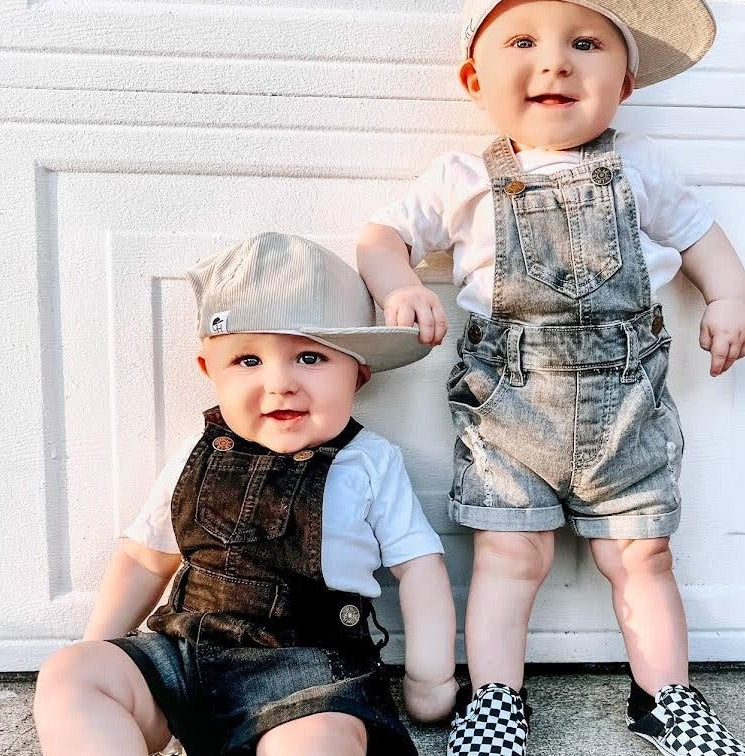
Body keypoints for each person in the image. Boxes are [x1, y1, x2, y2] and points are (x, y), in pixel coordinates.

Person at [357, 0, 745, 756]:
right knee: (511, 555)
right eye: (523, 41)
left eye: (585, 43)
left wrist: (730, 295)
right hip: (510, 406)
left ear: (626, 80)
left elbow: (699, 238)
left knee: (642, 554)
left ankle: (666, 696)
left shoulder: (639, 167)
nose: (556, 62)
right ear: (475, 79)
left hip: (628, 407)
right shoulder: (465, 177)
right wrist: (398, 283)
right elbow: (381, 235)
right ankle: (497, 697)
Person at [34, 232, 458, 756]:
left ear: (359, 374)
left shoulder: (369, 462)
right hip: (182, 657)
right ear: (209, 371)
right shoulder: (199, 448)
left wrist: (429, 679)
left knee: (320, 742)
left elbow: (418, 567)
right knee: (70, 675)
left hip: (308, 679)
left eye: (310, 357)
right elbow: (146, 560)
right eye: (248, 361)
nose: (279, 382)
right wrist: (101, 646)